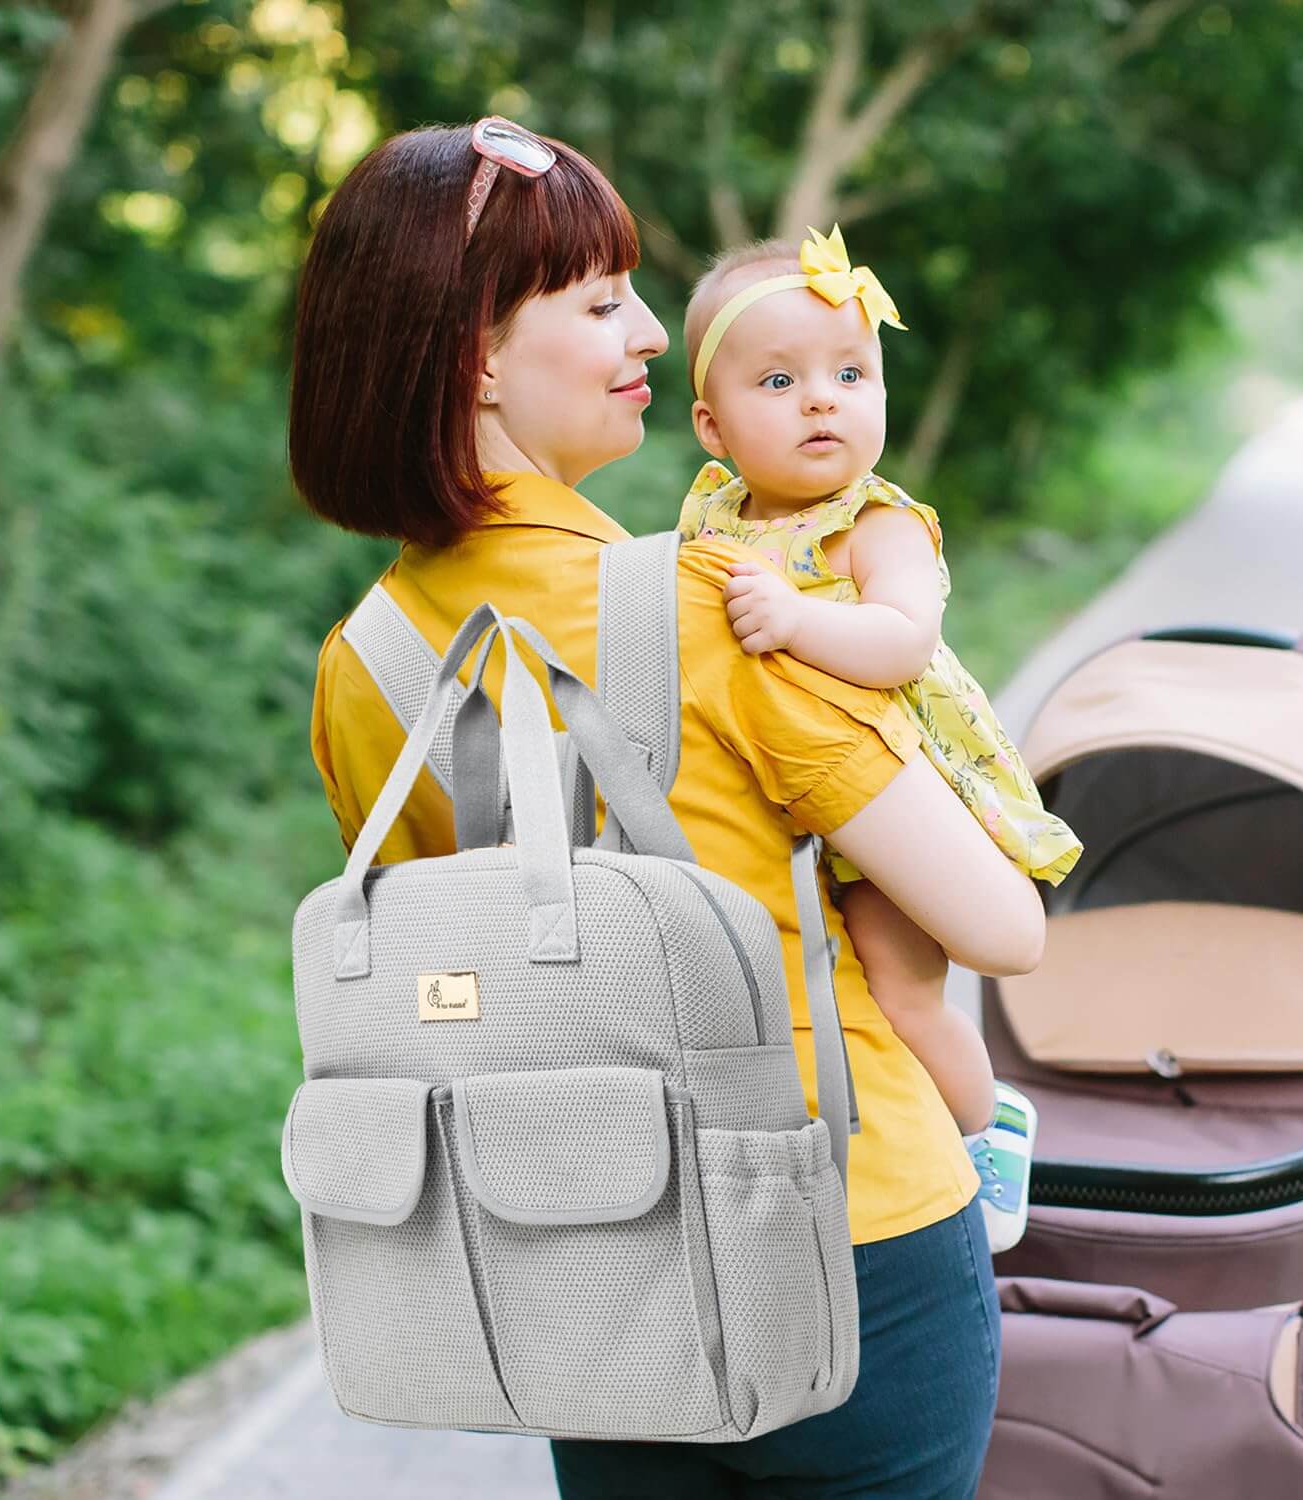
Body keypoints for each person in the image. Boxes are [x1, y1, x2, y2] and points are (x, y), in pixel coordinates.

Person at [292, 116, 1045, 1498]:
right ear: (478, 353)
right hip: (849, 1243)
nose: (647, 334)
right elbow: (1002, 926)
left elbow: (464, 979)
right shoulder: (719, 610)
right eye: (599, 302)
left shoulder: (365, 665)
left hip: (589, 1257)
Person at [676, 225, 1081, 1252]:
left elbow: (903, 641)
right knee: (830, 992)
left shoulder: (877, 524)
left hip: (909, 788)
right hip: (802, 807)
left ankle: (990, 1135)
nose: (822, 399)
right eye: (779, 381)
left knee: (903, 992)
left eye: (851, 373)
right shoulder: (711, 521)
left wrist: (801, 618)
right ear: (711, 426)